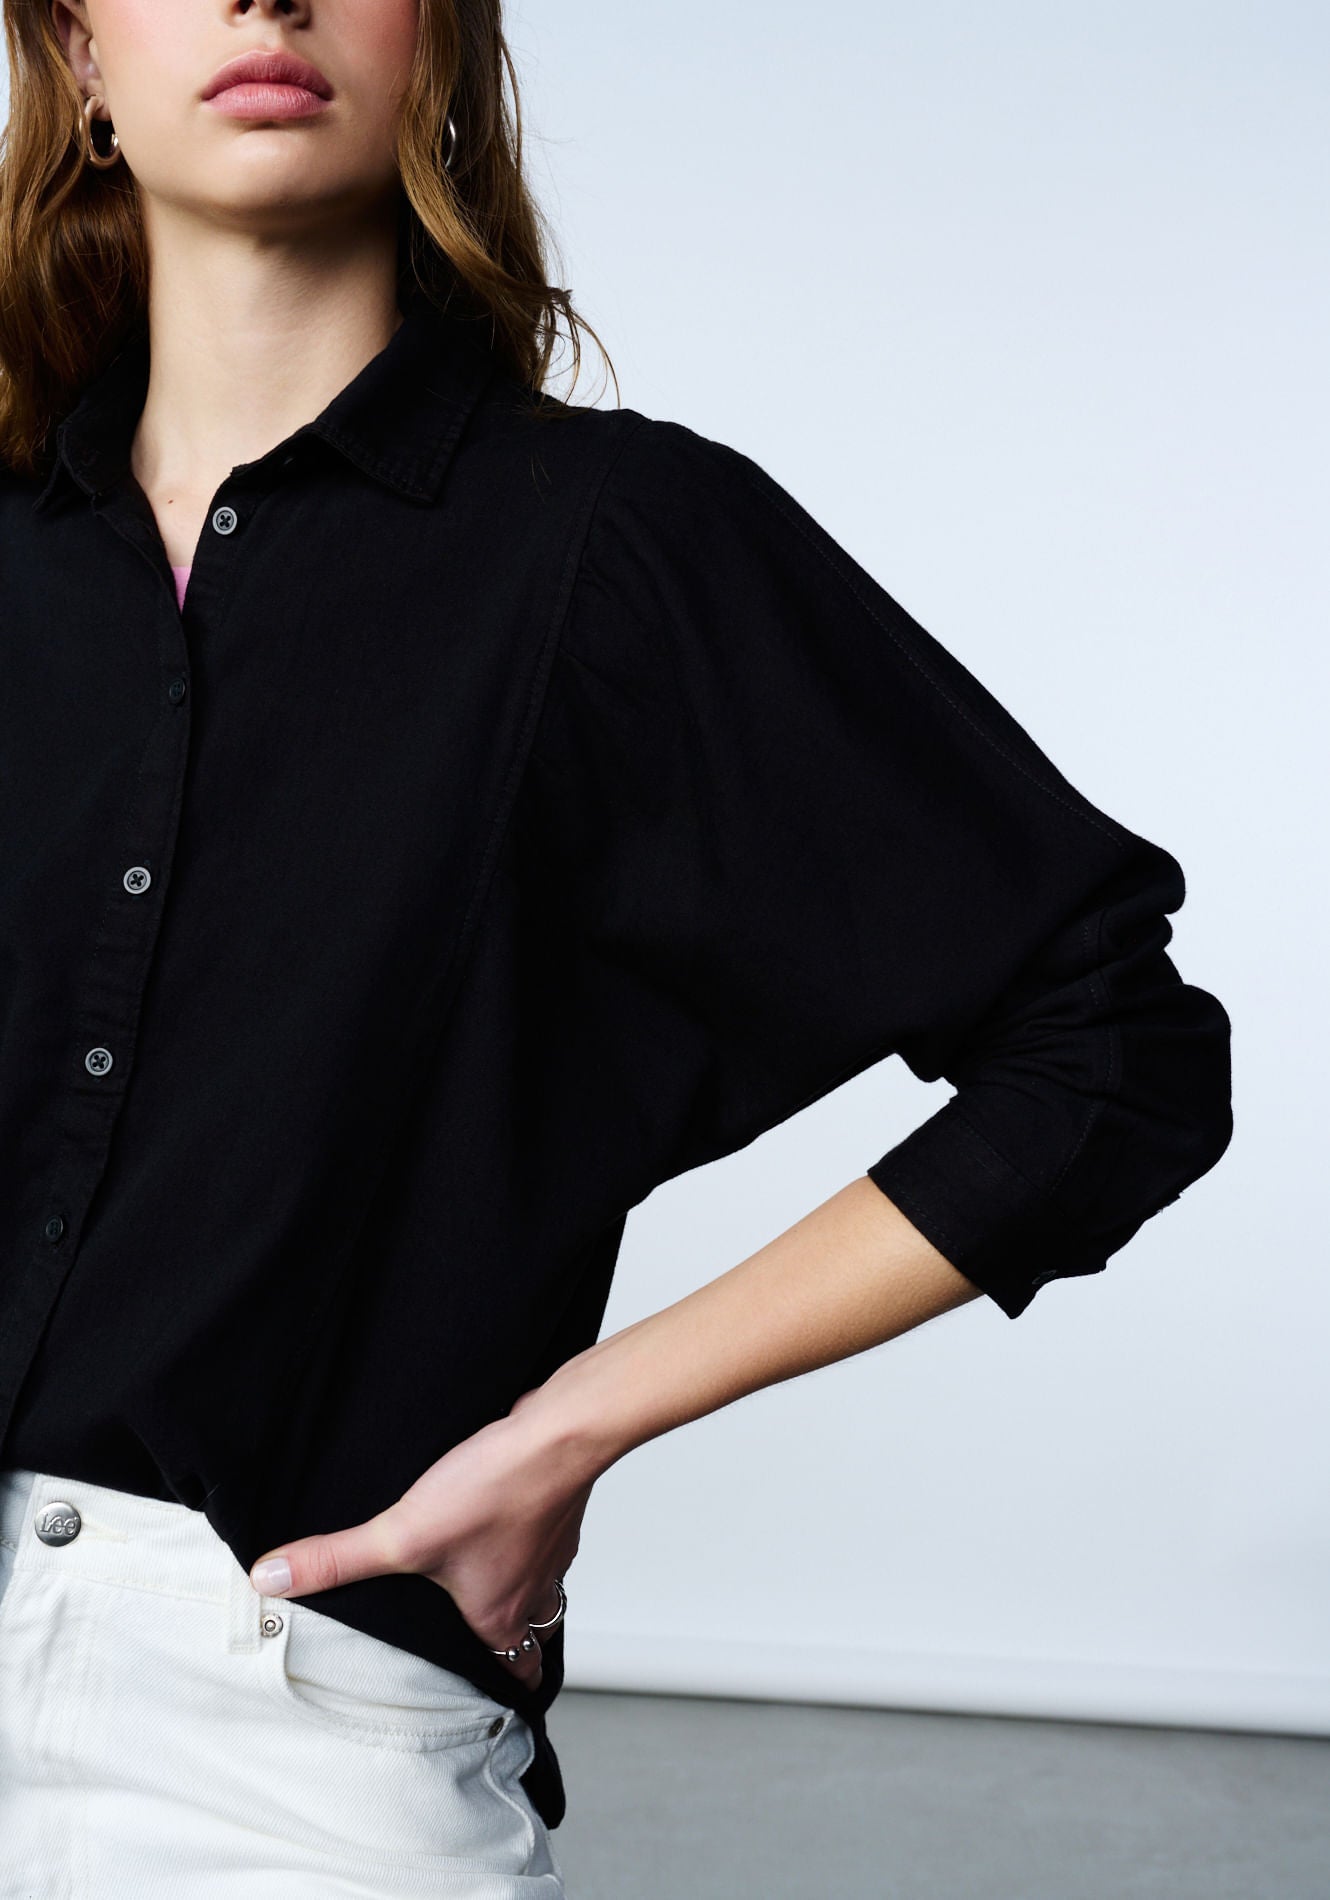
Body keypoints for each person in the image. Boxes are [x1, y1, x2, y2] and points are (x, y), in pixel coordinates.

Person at [0, 0, 1235, 1893]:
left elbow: (1112, 1051)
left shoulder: (619, 543)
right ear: (78, 54)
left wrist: (570, 1427)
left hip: (278, 1724)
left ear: (440, 38)